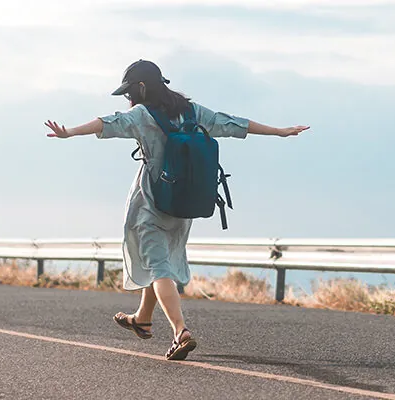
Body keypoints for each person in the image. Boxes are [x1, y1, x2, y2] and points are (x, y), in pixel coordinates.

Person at [42, 59, 309, 360]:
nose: (128, 99)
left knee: (158, 267)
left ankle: (180, 331)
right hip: (184, 204)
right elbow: (232, 123)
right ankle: (142, 319)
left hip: (152, 204)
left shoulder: (141, 115)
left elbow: (108, 122)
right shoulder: (193, 112)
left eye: (129, 92)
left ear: (142, 88)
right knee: (161, 264)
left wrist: (70, 132)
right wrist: (279, 131)